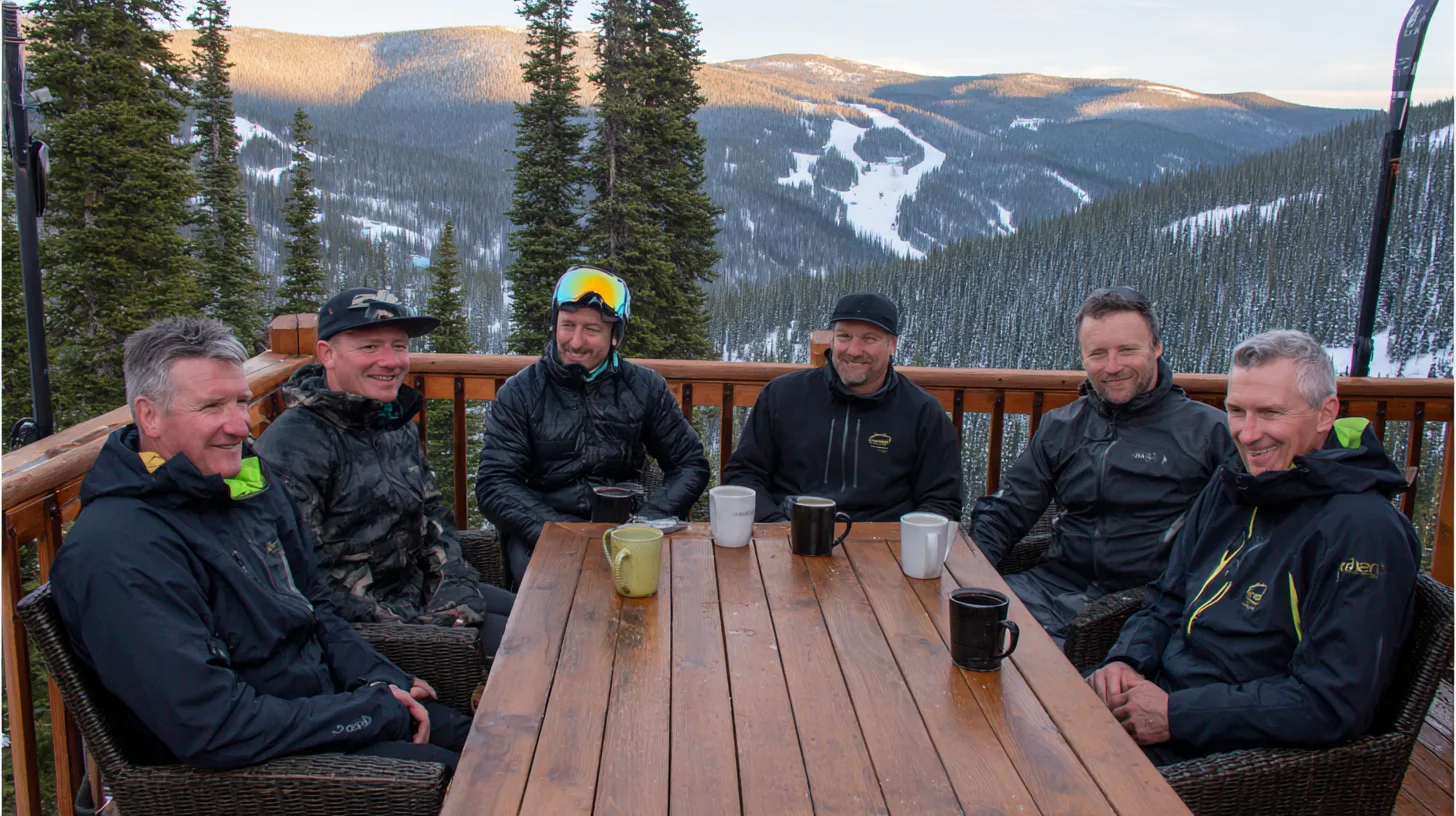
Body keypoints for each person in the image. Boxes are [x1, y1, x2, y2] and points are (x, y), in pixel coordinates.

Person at [50, 317, 470, 772]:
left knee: (494, 742)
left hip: (319, 707)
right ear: (149, 414)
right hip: (263, 768)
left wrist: (377, 676)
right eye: (211, 406)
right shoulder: (118, 550)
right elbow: (212, 727)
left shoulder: (241, 484)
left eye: (241, 402)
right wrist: (369, 712)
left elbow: (315, 608)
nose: (239, 426)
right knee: (490, 784)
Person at [1087, 330, 1419, 765]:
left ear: (1326, 414)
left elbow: (1332, 703)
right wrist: (1127, 659)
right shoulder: (1236, 484)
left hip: (1224, 753)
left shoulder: (1362, 530)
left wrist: (1177, 714)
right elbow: (1167, 596)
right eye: (1236, 411)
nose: (1247, 434)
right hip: (1157, 698)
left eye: (1270, 413)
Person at [256, 288, 515, 660]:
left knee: (545, 621)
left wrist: (454, 584)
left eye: (398, 346)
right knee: (535, 651)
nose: (391, 361)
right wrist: (413, 624)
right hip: (374, 633)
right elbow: (299, 577)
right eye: (370, 347)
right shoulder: (293, 448)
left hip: (423, 591)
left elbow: (433, 516)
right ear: (327, 354)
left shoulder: (390, 420)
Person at [970, 287, 1231, 645]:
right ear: (1083, 357)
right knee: (943, 635)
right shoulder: (1063, 426)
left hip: (1139, 609)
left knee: (1020, 679)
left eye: (1127, 350)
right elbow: (1008, 508)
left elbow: (1235, 542)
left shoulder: (1209, 433)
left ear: (1156, 347)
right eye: (1098, 354)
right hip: (1045, 588)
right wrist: (966, 573)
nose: (1112, 367)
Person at [476, 266, 710, 588]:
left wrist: (647, 521)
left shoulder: (644, 387)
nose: (575, 341)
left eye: (591, 330)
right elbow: (494, 484)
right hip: (544, 537)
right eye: (567, 325)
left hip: (628, 530)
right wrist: (563, 531)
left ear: (615, 336)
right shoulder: (520, 392)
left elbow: (689, 464)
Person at [722, 292, 962, 523]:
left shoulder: (923, 412)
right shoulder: (782, 395)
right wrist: (775, 525)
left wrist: (904, 544)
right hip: (789, 536)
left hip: (883, 547)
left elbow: (941, 501)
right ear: (833, 339)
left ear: (892, 345)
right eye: (844, 336)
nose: (854, 351)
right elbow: (744, 475)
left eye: (869, 338)